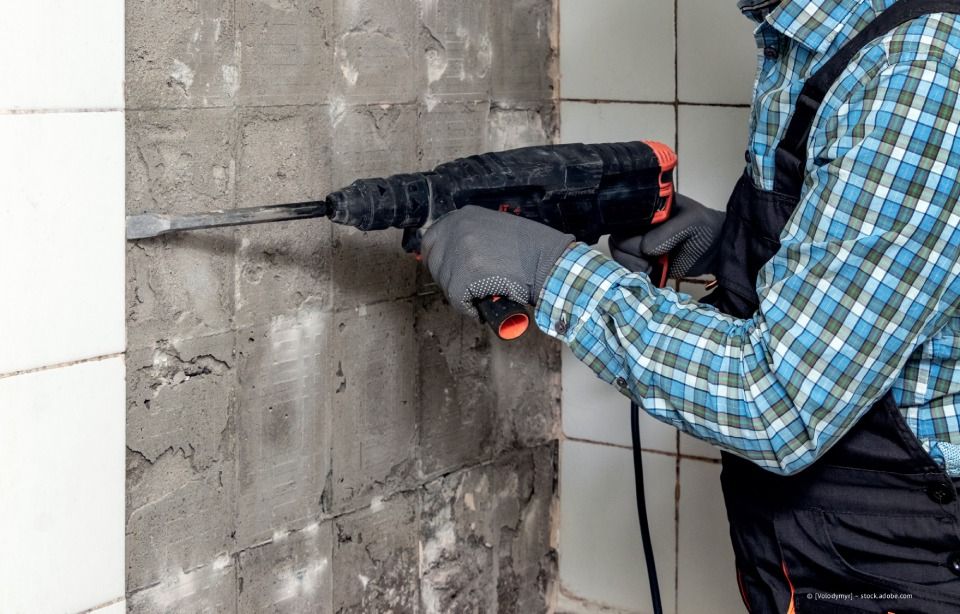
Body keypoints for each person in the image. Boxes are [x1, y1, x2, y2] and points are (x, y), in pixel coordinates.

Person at [421, 0, 960, 611]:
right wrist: (728, 251)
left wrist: (554, 274)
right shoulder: (808, 38)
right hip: (808, 552)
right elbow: (887, 277)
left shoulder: (918, 72)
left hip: (899, 566)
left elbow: (778, 402)